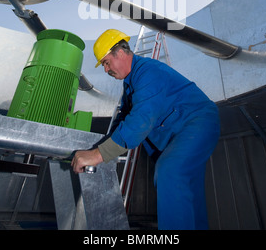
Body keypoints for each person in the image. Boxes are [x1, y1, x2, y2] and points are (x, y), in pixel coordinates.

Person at [71, 28, 220, 230]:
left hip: (197, 122)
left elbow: (141, 120)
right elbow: (123, 118)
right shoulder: (130, 85)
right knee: (188, 188)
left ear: (121, 52)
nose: (106, 70)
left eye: (106, 62)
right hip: (177, 135)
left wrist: (98, 155)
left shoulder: (148, 72)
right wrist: (98, 148)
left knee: (170, 171)